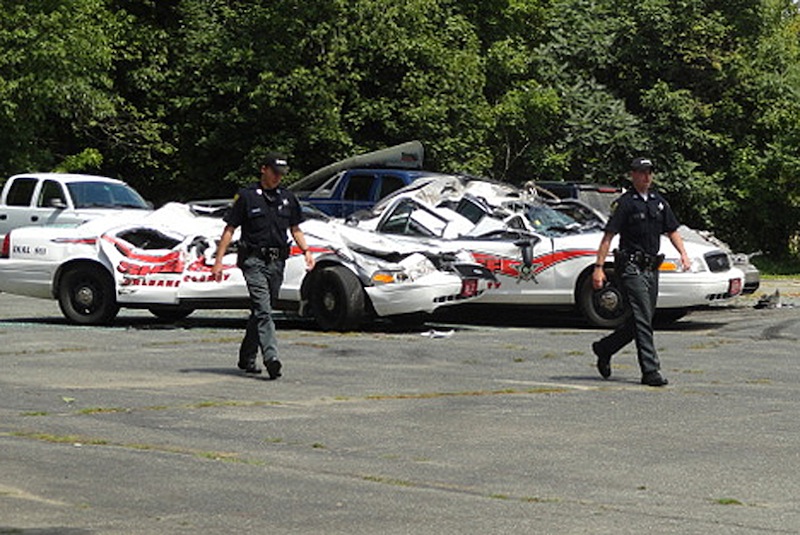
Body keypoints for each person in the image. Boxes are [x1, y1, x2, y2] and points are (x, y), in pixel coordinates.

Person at [211, 152, 315, 379]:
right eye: (275, 172)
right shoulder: (247, 196)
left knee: (261, 311)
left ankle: (246, 357)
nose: (278, 177)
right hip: (253, 261)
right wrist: (218, 261)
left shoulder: (287, 197)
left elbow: (295, 228)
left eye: (282, 174)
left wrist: (307, 251)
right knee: (264, 309)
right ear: (263, 169)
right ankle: (272, 358)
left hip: (277, 261)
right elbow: (229, 229)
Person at [591, 157, 691, 387]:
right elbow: (608, 236)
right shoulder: (625, 203)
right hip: (630, 267)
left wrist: (683, 254)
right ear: (632, 175)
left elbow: (672, 230)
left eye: (649, 172)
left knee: (643, 319)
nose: (646, 176)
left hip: (651, 269)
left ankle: (605, 347)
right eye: (641, 172)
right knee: (643, 319)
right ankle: (650, 370)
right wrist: (598, 268)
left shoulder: (658, 202)